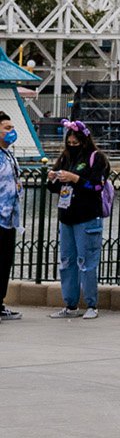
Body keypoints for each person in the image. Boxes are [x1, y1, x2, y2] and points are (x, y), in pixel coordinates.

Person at [51, 120, 113, 319]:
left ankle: (91, 304)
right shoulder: (65, 158)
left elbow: (96, 186)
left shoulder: (97, 158)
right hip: (67, 216)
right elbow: (53, 188)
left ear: (84, 140)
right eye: (69, 140)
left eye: (75, 140)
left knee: (87, 261)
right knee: (67, 262)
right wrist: (54, 177)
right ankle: (70, 304)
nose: (71, 143)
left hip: (88, 217)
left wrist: (75, 178)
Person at [0, 110, 24, 321]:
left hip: (9, 220)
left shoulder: (8, 155)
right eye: (7, 128)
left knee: (5, 262)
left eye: (12, 128)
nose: (11, 132)